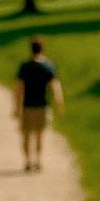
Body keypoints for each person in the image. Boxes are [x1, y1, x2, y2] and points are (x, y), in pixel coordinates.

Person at [14, 36, 65, 172]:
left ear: (31, 49)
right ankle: (38, 160)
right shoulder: (48, 66)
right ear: (43, 48)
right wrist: (59, 102)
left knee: (26, 135)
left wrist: (16, 107)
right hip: (43, 105)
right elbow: (55, 86)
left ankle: (27, 161)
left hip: (27, 105)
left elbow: (19, 88)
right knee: (39, 135)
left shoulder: (25, 67)